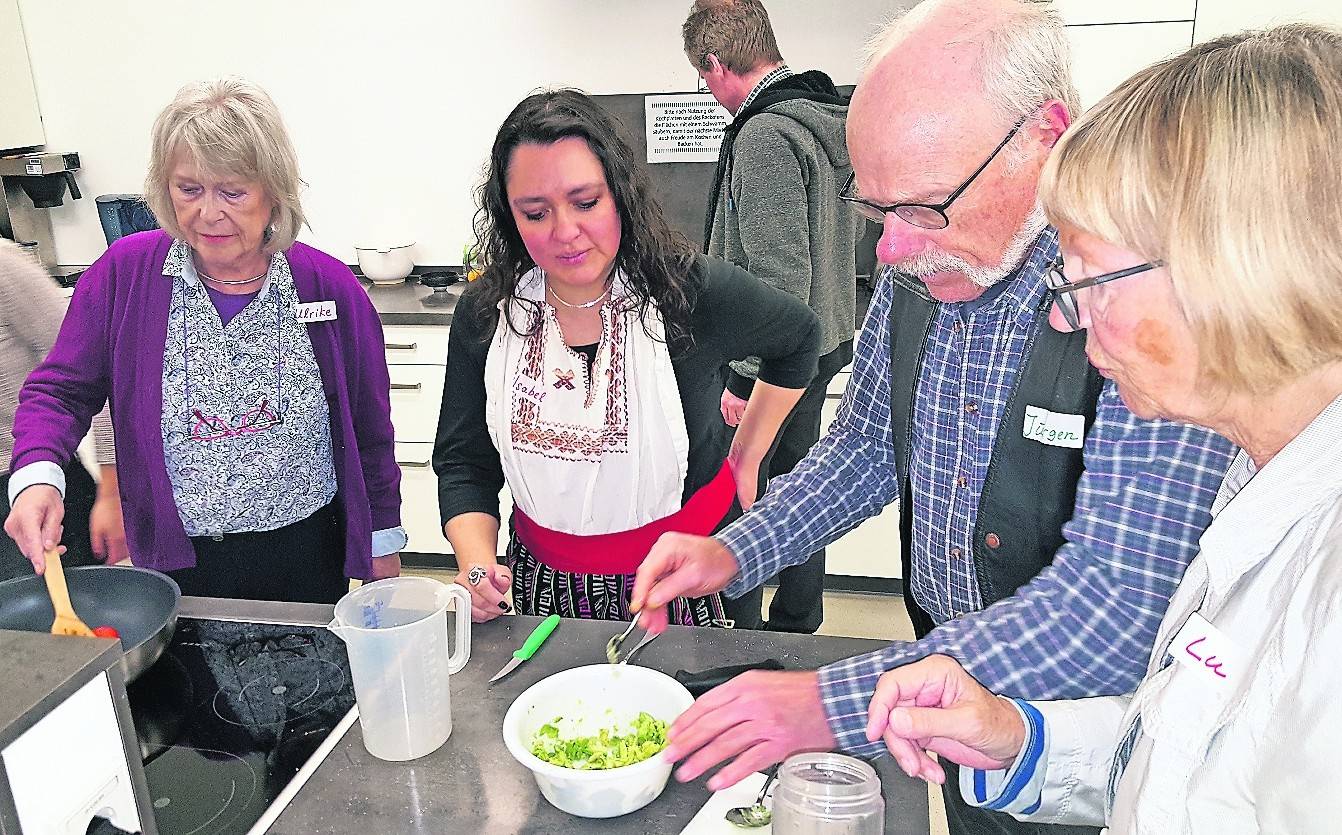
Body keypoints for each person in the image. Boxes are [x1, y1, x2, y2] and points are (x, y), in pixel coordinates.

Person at [628, 2, 1236, 833]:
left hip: (1099, 741)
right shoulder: (926, 271)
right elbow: (863, 450)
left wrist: (830, 702)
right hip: (948, 699)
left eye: (922, 209)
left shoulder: (1134, 298)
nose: (890, 251)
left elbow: (1113, 606)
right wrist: (735, 549)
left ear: (1043, 138)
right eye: (878, 211)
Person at [866, 24, 1342, 832]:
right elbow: (1185, 755)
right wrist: (1020, 740)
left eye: (1092, 277)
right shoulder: (1260, 483)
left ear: (1240, 266)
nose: (1065, 312)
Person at [5, 78, 404, 602]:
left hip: (308, 550)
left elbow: (369, 426)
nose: (208, 213)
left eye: (232, 192)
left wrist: (382, 538)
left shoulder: (326, 287)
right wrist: (37, 473)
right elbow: (58, 391)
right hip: (178, 558)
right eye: (189, 189)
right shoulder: (126, 276)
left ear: (274, 191)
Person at [434, 89, 819, 626]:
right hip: (543, 585)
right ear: (510, 217)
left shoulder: (689, 291)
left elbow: (800, 336)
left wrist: (748, 453)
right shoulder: (487, 313)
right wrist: (477, 570)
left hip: (687, 576)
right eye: (536, 212)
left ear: (619, 194)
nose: (565, 232)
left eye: (586, 202)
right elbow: (463, 462)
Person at [683, 0, 861, 633]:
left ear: (714, 63)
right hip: (823, 341)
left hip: (777, 358)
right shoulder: (827, 122)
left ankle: (742, 631)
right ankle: (797, 621)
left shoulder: (763, 136)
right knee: (799, 486)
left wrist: (742, 378)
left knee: (738, 486)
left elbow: (777, 277)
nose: (709, 93)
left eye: (703, 78)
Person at [0, 241, 126, 581]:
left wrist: (113, 493)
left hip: (33, 486)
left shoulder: (3, 266)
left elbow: (94, 370)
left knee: (70, 623)